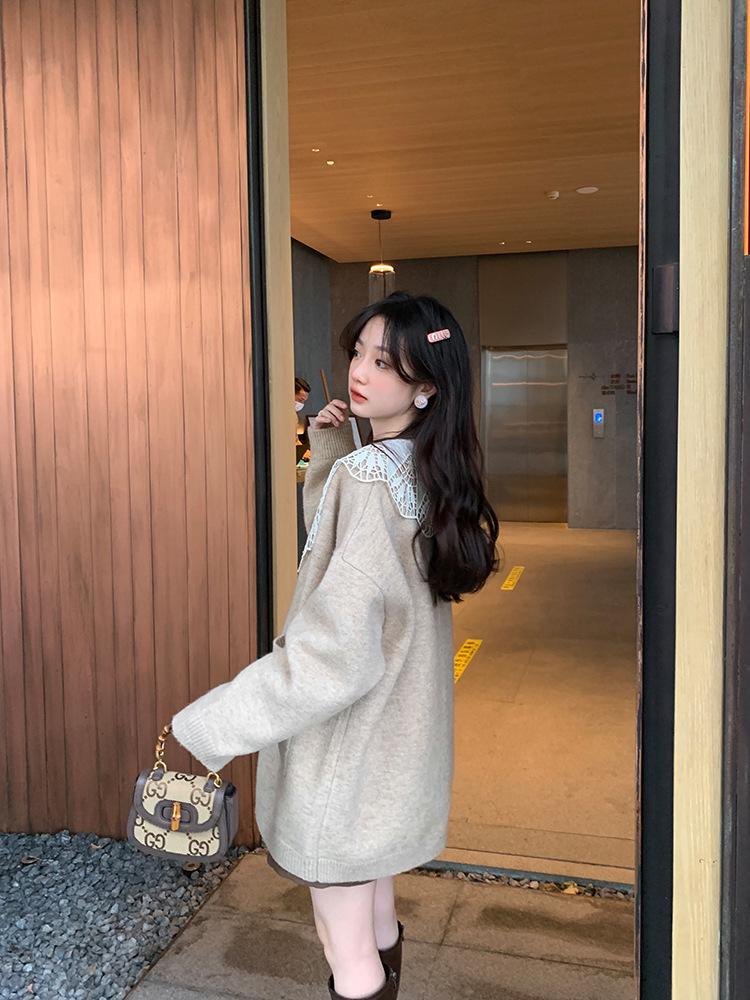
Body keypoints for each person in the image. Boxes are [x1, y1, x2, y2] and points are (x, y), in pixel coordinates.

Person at [171, 292, 500, 1000]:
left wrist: (210, 724)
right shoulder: (423, 468)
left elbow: (331, 654)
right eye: (358, 352)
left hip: (348, 755)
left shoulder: (369, 478)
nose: (359, 371)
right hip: (392, 746)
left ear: (425, 386)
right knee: (374, 907)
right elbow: (349, 554)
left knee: (346, 949)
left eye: (385, 362)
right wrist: (333, 451)